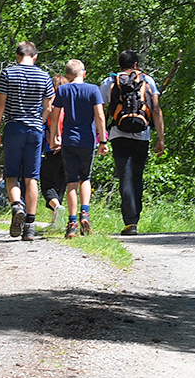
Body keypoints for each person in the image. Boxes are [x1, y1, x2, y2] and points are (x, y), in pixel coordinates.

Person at [0, 41, 56, 242]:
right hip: (35, 130)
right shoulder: (44, 76)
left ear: (17, 56)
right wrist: (40, 122)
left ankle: (17, 205)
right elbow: (49, 106)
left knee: (11, 175)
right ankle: (29, 227)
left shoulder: (8, 74)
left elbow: (0, 104)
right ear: (34, 56)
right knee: (32, 177)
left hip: (14, 127)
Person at [100, 49, 165, 236]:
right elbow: (157, 110)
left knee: (125, 176)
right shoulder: (147, 80)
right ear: (136, 65)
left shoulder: (110, 82)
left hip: (118, 134)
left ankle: (130, 221)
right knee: (137, 176)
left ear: (120, 65)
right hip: (142, 135)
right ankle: (135, 216)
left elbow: (100, 110)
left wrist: (102, 137)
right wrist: (160, 138)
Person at [49, 59, 109, 238]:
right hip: (87, 141)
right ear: (83, 73)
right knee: (86, 178)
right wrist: (103, 140)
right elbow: (99, 115)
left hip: (69, 140)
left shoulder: (63, 90)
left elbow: (55, 113)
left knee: (71, 183)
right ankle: (85, 213)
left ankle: (72, 223)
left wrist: (54, 135)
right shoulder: (93, 90)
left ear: (67, 75)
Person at [40, 76, 68, 232]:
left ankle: (56, 208)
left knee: (47, 184)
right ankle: (55, 220)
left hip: (51, 148)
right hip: (69, 148)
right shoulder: (70, 105)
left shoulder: (50, 105)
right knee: (61, 184)